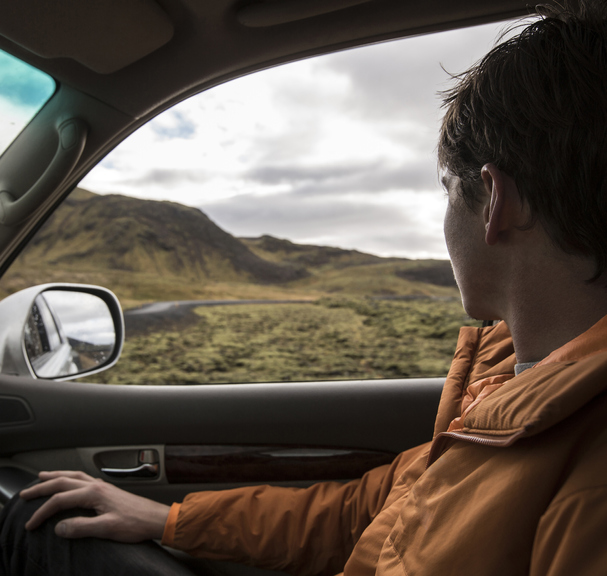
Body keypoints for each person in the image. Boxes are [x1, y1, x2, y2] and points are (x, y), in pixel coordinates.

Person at [3, 1, 607, 574]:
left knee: (36, 526)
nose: (444, 219)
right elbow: (359, 514)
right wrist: (169, 518)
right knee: (53, 515)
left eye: (447, 191)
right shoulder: (507, 380)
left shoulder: (587, 476)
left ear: (493, 201)